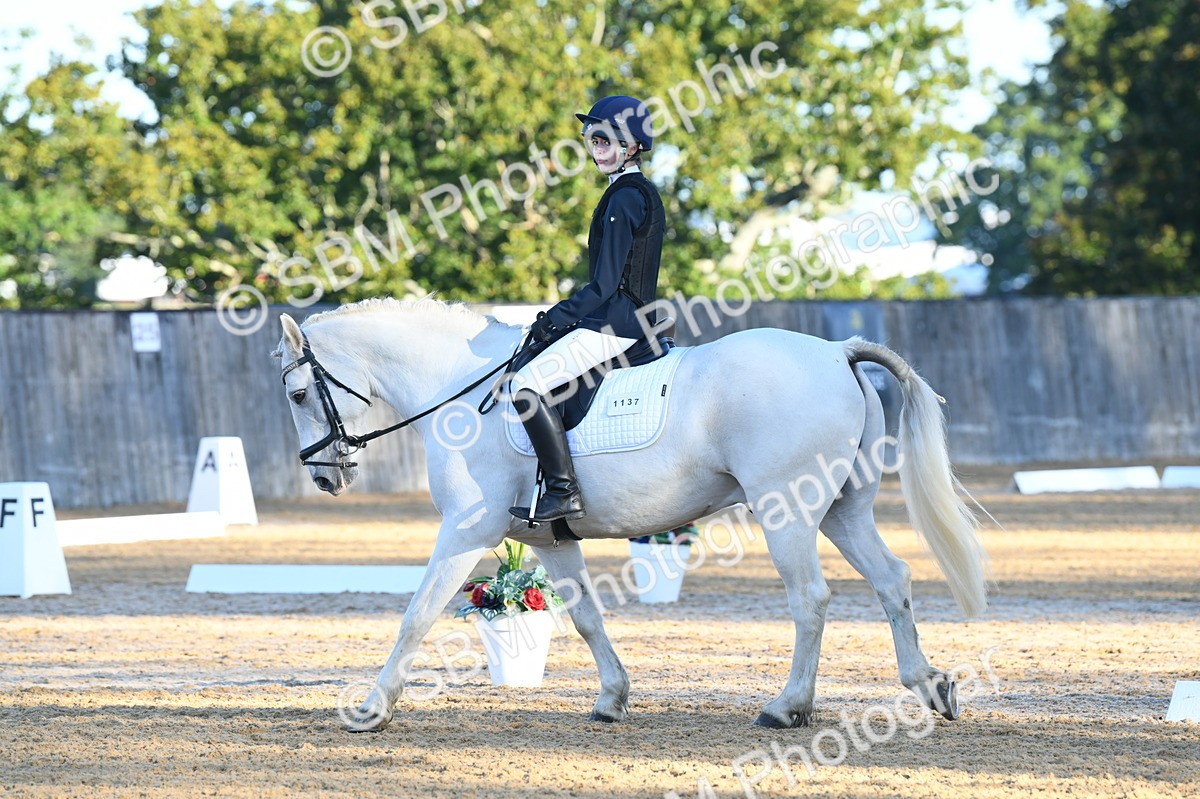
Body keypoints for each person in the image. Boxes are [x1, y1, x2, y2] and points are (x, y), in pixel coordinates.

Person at [508, 95, 666, 524]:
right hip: (624, 318)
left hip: (615, 324)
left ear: (632, 147)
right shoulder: (631, 192)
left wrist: (555, 318)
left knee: (526, 385)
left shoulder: (625, 197)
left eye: (606, 140)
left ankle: (564, 491)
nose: (597, 148)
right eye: (593, 140)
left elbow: (605, 285)